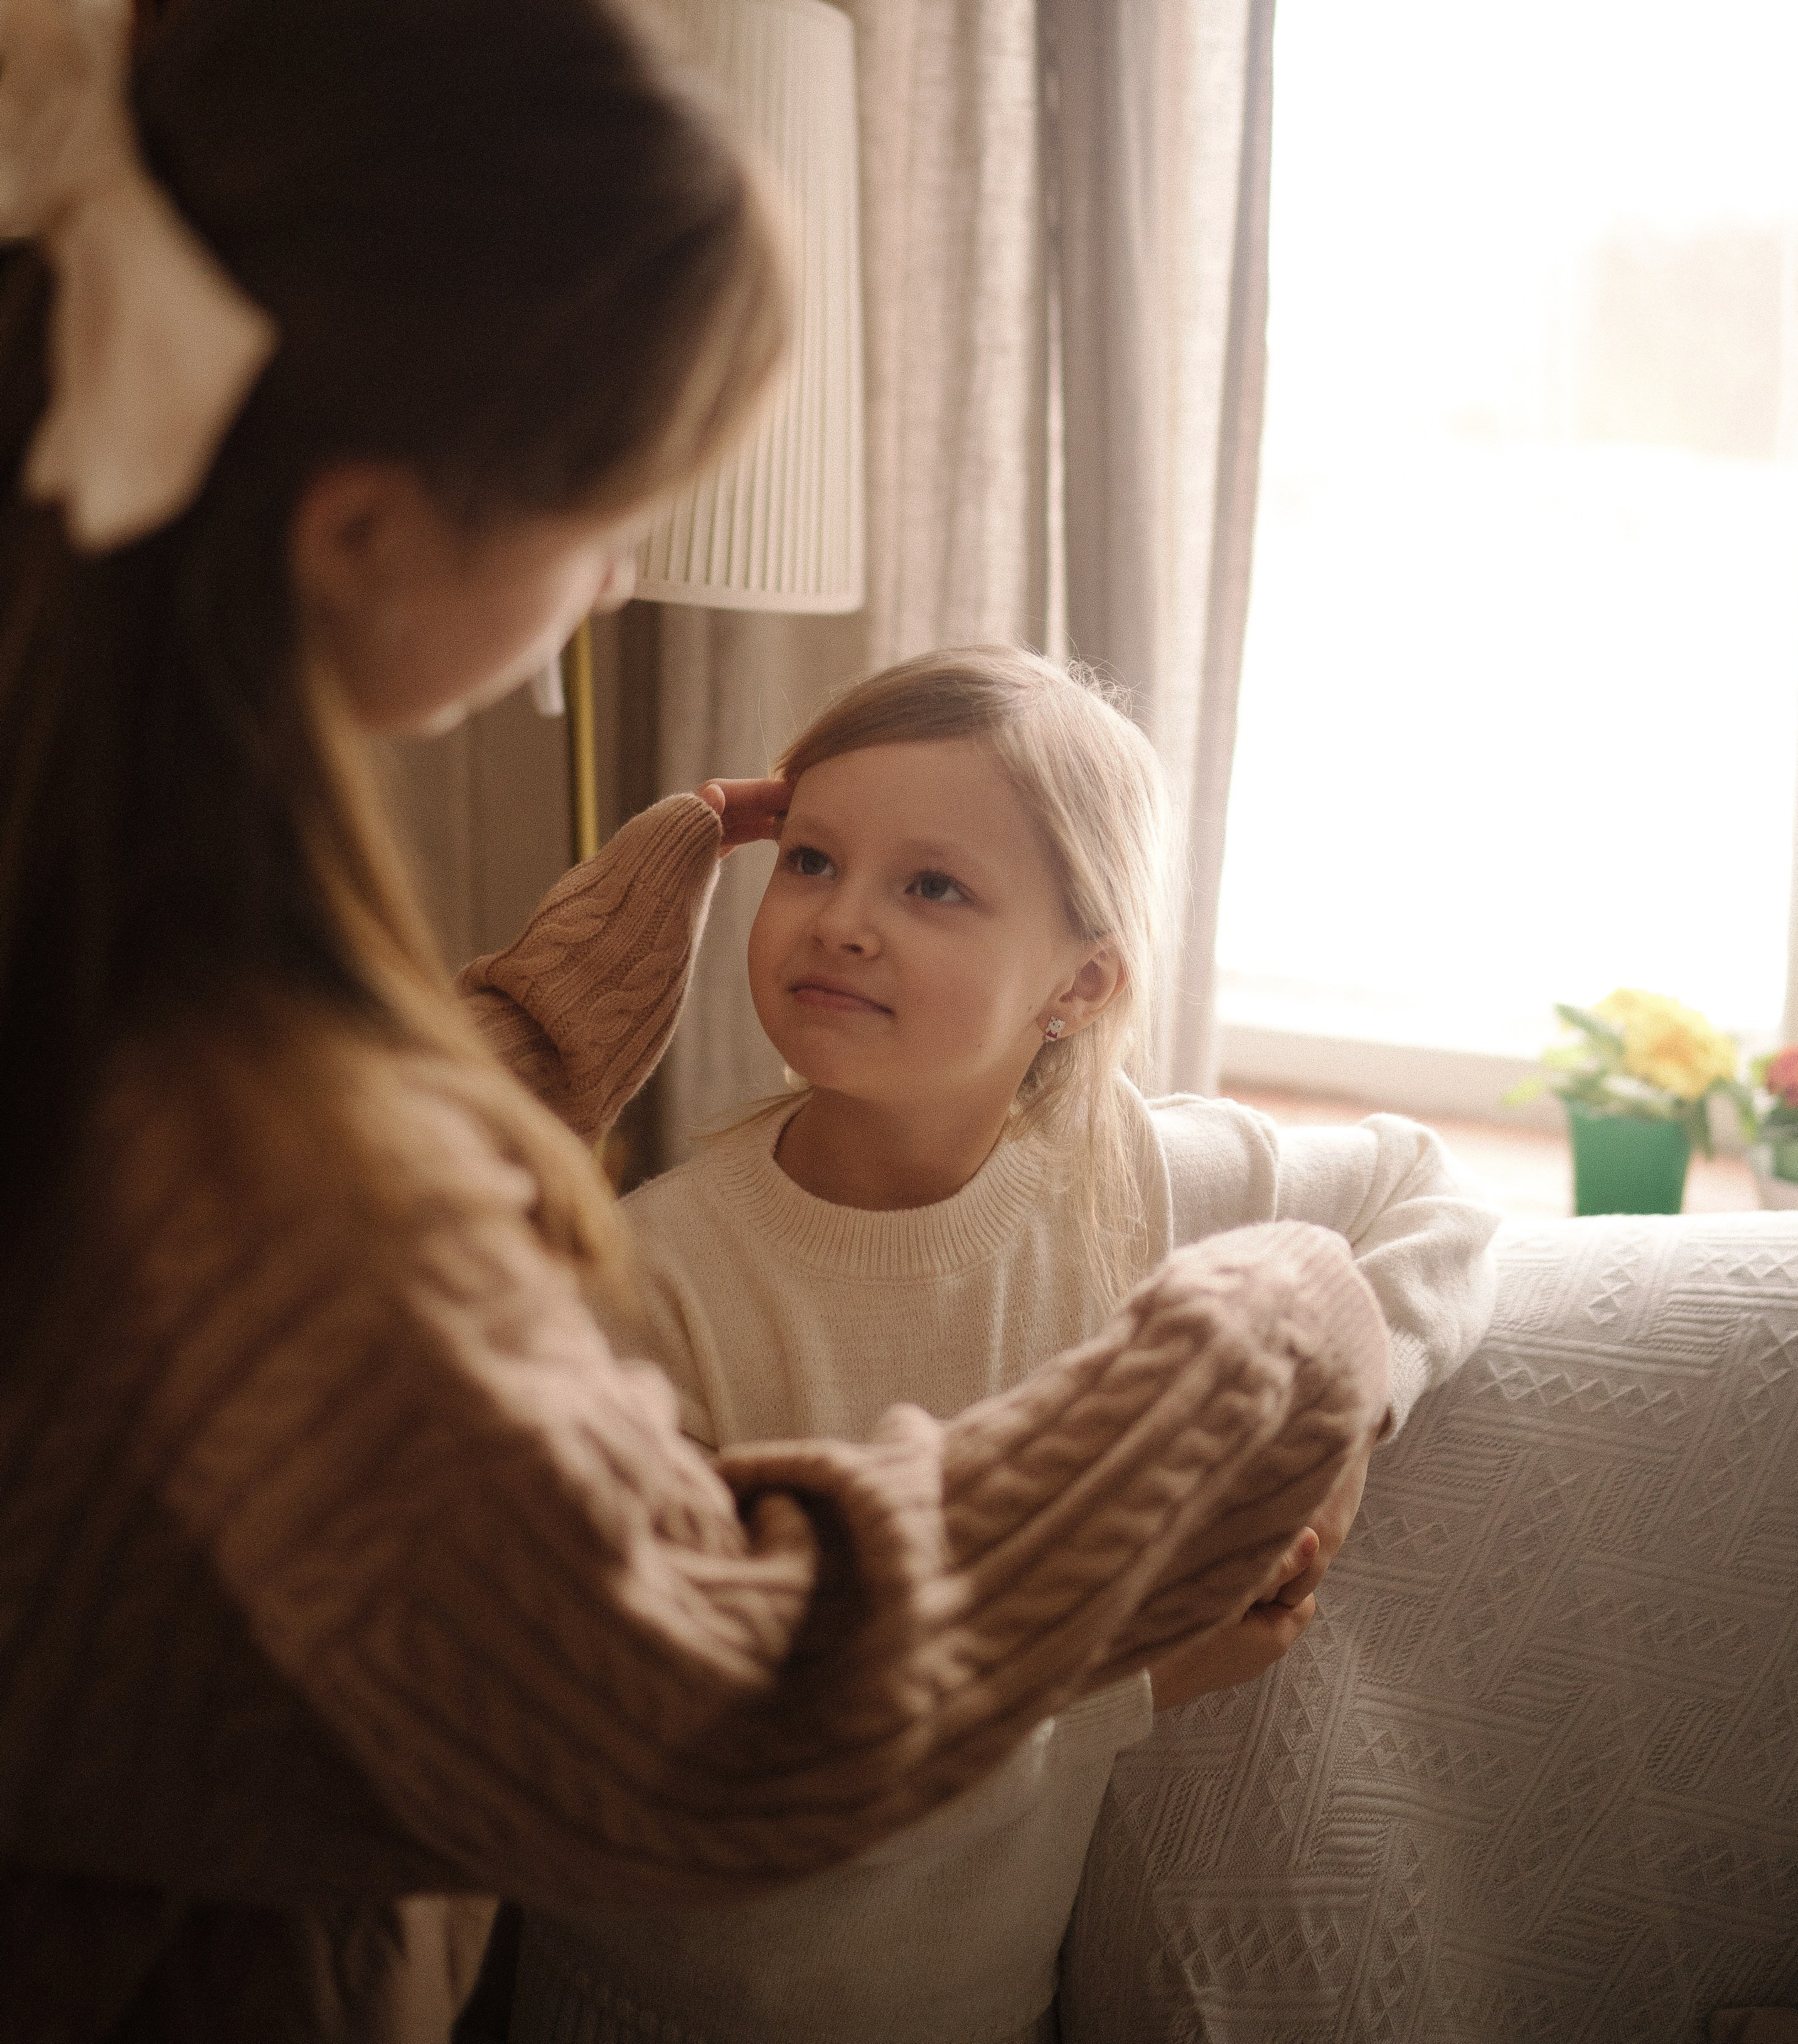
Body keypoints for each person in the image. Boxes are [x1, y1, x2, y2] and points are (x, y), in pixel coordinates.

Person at [0, 0, 1393, 2042]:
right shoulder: (262, 1128)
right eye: (610, 502)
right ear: (365, 528)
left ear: (1083, 976)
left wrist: (526, 1034)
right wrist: (1261, 1354)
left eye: (943, 889)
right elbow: (702, 1711)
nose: (628, 569)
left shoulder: (95, 899)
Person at [512, 646, 1500, 2044]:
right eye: (807, 861)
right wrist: (1130, 1679)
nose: (840, 921)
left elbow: (1427, 1190)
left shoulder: (1141, 1180)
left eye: (930, 886)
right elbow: (721, 1754)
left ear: (1081, 983)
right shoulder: (656, 1273)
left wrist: (1350, 1402)